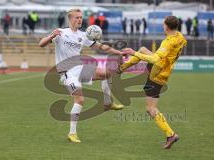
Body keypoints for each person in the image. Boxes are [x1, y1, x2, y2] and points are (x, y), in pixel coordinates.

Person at [39, 8, 124, 143]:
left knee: (107, 73)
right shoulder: (61, 33)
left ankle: (108, 103)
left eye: (81, 17)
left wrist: (118, 52)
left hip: (79, 68)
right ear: (70, 19)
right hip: (67, 72)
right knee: (80, 100)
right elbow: (41, 44)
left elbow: (101, 47)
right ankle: (72, 133)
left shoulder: (83, 35)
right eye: (77, 17)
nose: (80, 20)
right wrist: (50, 36)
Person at [119, 16, 187, 149]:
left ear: (166, 26)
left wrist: (133, 52)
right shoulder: (180, 37)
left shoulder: (168, 42)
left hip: (157, 74)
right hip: (164, 69)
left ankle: (170, 134)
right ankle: (121, 68)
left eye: (163, 25)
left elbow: (155, 59)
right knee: (143, 49)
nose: (163, 27)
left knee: (150, 109)